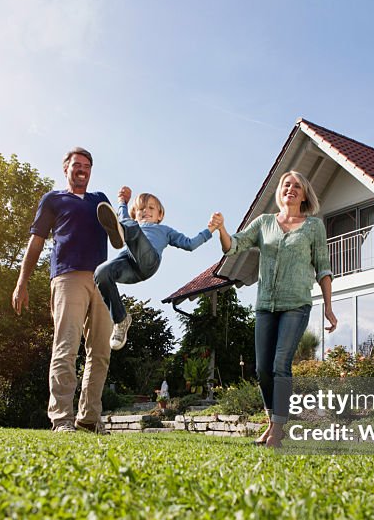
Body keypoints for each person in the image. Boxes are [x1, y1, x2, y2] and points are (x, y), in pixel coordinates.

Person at [213, 170, 337, 448]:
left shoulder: (313, 226)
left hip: (296, 305)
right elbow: (233, 246)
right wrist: (221, 229)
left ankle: (278, 431)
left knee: (281, 364)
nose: (290, 189)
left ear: (304, 195)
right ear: (279, 192)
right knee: (262, 369)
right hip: (266, 305)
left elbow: (323, 268)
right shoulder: (264, 223)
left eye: (296, 186)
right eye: (286, 185)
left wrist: (329, 307)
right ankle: (272, 423)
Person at [11, 147, 112, 434]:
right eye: (77, 165)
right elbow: (36, 242)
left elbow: (120, 232)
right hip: (68, 278)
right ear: (66, 168)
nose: (82, 169)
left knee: (101, 351)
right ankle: (62, 419)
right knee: (67, 347)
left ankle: (89, 419)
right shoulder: (54, 199)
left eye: (87, 165)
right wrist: (22, 282)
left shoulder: (100, 201)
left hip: (103, 280)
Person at [95, 191, 220, 349]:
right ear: (136, 214)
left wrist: (209, 230)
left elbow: (189, 244)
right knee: (101, 273)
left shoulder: (165, 231)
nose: (145, 211)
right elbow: (123, 215)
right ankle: (120, 320)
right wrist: (122, 201)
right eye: (140, 209)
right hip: (127, 265)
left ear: (159, 215)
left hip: (149, 262)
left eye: (151, 208)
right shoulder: (133, 222)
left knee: (129, 225)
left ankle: (122, 232)